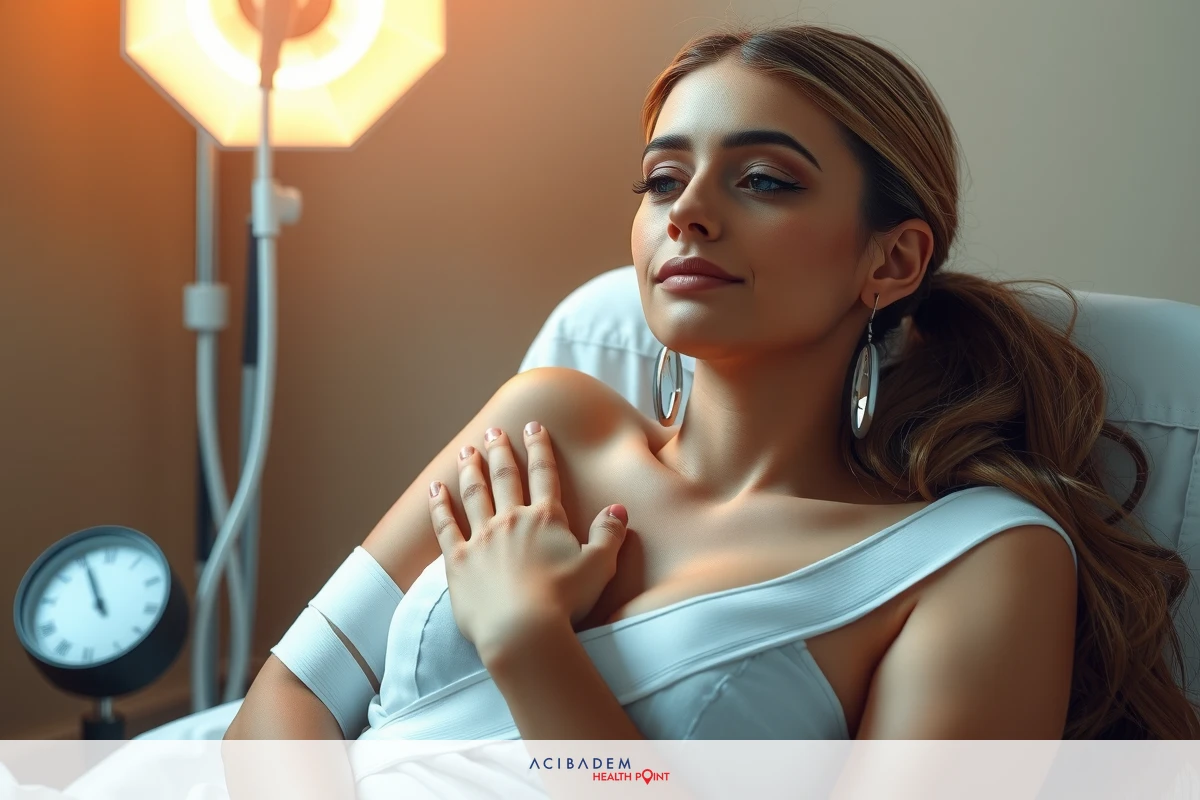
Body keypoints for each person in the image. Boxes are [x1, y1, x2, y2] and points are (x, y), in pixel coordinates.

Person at [225, 22, 1200, 751]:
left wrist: (531, 645)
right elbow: (284, 700)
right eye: (661, 179)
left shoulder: (977, 561)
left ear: (894, 259)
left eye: (764, 180)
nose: (688, 212)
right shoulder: (547, 417)